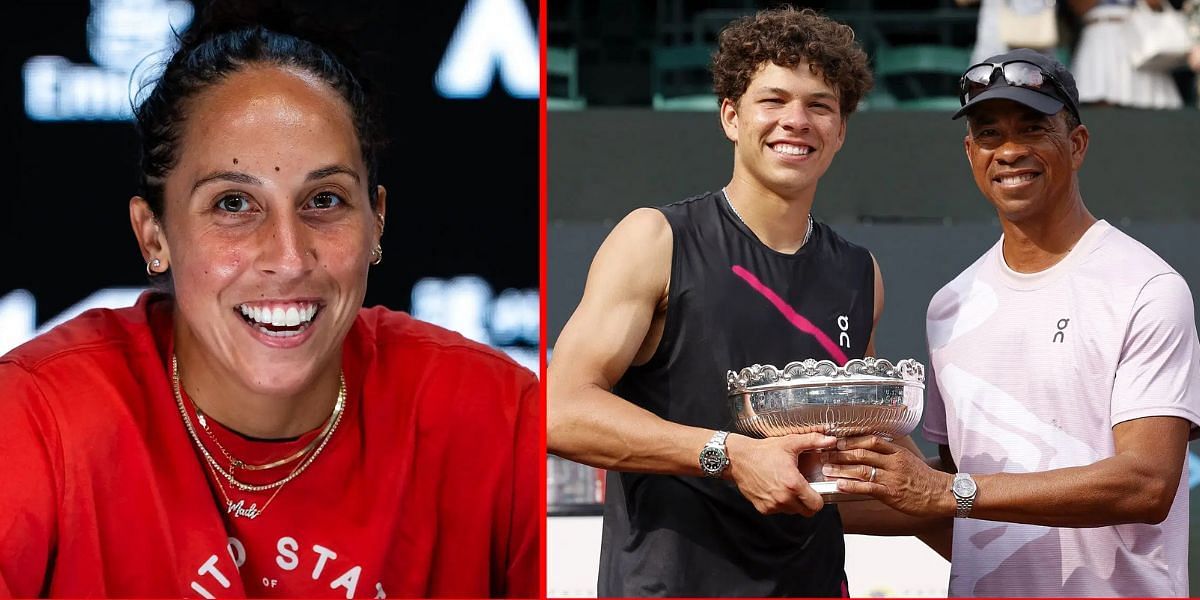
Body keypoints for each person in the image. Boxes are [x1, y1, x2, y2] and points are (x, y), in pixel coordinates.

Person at [0, 4, 539, 598]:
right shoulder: (37, 421)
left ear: (376, 221)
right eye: (233, 204)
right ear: (154, 236)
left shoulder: (494, 418)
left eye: (325, 200)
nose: (287, 256)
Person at [547, 6, 941, 596]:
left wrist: (969, 521)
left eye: (820, 105)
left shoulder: (861, 274)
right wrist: (726, 455)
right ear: (731, 116)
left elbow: (851, 467)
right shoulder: (656, 239)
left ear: (841, 130)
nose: (796, 121)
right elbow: (558, 411)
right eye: (773, 100)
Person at [823, 48, 1200, 596]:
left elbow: (1147, 483)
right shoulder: (950, 305)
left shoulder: (1146, 287)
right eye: (990, 134)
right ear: (970, 152)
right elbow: (953, 502)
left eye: (1032, 128)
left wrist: (947, 493)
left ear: (1077, 144)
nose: (1011, 150)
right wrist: (808, 503)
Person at [1067, 0, 1184, 108]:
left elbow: (1155, 4)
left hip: (1138, 35)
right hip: (1099, 36)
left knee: (1148, 105)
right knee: (1099, 104)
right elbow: (1079, 8)